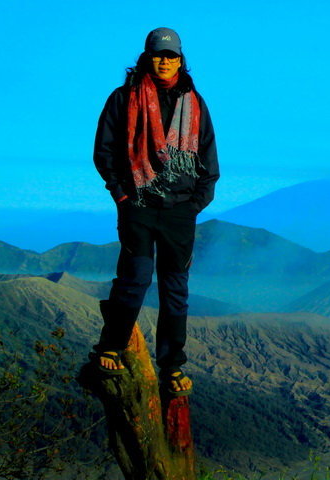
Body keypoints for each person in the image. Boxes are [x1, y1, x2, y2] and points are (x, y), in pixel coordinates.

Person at [91, 27, 219, 396]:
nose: (164, 62)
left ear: (181, 60)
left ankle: (172, 365)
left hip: (180, 210)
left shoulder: (195, 104)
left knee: (176, 287)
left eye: (171, 56)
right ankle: (111, 345)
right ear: (147, 59)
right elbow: (105, 151)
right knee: (136, 277)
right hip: (139, 205)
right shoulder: (123, 98)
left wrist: (196, 202)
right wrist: (122, 196)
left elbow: (208, 157)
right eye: (158, 55)